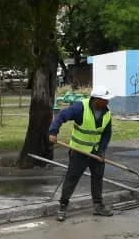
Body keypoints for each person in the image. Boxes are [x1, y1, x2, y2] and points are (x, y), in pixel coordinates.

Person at [48, 86, 115, 221]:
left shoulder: (106, 112)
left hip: (95, 152)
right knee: (71, 179)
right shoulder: (80, 108)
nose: (107, 102)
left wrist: (102, 150)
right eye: (105, 100)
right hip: (79, 152)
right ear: (96, 99)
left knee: (97, 178)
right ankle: (62, 207)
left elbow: (107, 133)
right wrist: (53, 132)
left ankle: (98, 206)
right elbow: (62, 116)